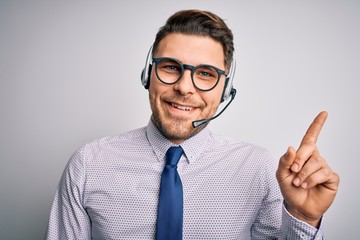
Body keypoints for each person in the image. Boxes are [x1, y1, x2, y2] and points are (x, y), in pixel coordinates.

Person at [44, 9, 339, 239]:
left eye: (206, 74)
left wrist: (303, 218)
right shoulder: (89, 164)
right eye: (171, 67)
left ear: (225, 90)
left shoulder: (259, 168)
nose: (185, 87)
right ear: (149, 74)